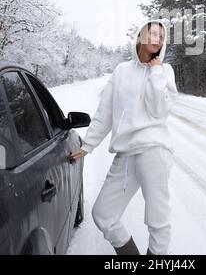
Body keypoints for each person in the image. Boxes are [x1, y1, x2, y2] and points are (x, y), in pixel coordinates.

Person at [71, 19, 179, 255]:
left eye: (162, 36)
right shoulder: (121, 71)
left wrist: (157, 72)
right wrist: (88, 144)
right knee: (102, 214)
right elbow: (105, 112)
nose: (158, 39)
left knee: (157, 218)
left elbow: (159, 110)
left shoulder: (165, 71)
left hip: (153, 150)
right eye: (153, 33)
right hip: (125, 154)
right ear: (141, 36)